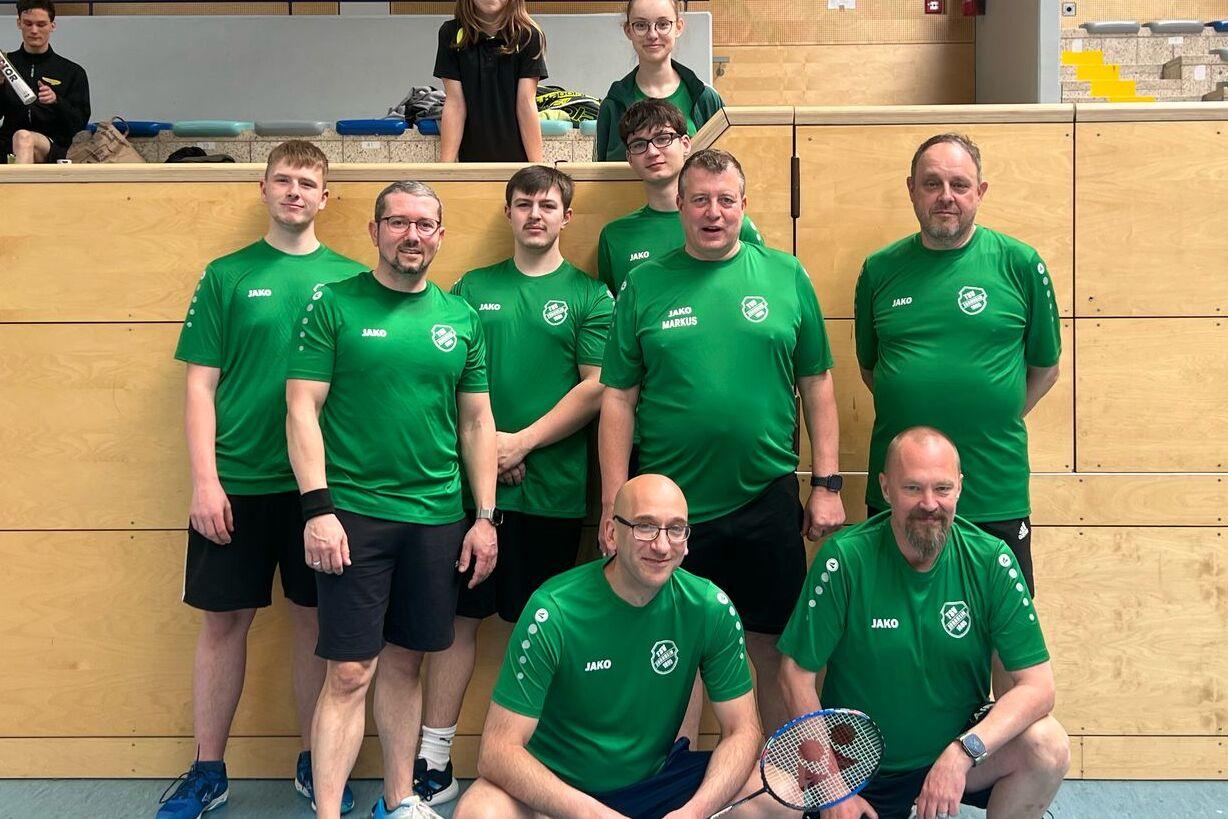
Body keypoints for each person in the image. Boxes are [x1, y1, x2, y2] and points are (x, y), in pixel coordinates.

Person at [599, 148, 846, 736]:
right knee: (670, 648)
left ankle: (783, 784)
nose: (714, 213)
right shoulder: (644, 284)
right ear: (680, 206)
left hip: (766, 497)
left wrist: (828, 484)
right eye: (701, 200)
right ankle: (674, 780)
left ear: (744, 206)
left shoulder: (786, 276)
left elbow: (817, 383)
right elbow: (617, 399)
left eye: (726, 200)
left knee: (773, 648)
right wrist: (616, 501)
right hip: (668, 511)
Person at [161, 140, 366, 819]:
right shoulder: (225, 275)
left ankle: (314, 759)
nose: (295, 191)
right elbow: (199, 387)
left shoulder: (351, 281)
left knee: (316, 625)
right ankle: (208, 767)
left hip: (322, 494)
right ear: (263, 187)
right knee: (223, 624)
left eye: (309, 182)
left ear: (326, 197)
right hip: (237, 485)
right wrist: (204, 481)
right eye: (284, 179)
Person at [285, 181, 498, 819]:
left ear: (440, 235)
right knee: (350, 672)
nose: (413, 235)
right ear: (375, 232)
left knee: (405, 664)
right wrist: (318, 509)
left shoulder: (460, 317)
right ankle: (327, 811)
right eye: (399, 223)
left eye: (425, 225)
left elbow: (477, 423)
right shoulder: (333, 305)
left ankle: (400, 800)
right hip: (352, 517)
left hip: (436, 519)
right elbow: (301, 407)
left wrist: (484, 517)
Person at [413, 165, 613, 805]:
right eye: (523, 202)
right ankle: (435, 757)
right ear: (508, 212)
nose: (535, 213)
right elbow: (446, 379)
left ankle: (540, 759)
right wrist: (485, 458)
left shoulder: (591, 295)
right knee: (457, 621)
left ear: (566, 217)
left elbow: (597, 387)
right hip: (473, 499)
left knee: (546, 627)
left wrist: (518, 443)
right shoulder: (470, 289)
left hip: (552, 495)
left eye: (547, 204)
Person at [776, 426, 1070, 819]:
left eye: (942, 489)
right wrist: (832, 785)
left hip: (953, 755)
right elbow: (794, 675)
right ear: (885, 488)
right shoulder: (843, 560)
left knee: (1047, 745)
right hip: (858, 766)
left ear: (960, 488)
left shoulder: (992, 560)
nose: (929, 504)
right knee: (762, 801)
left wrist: (964, 752)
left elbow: (1038, 687)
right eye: (913, 488)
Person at [452, 474, 763, 819]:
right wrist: (594, 815)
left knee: (776, 791)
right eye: (645, 527)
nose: (661, 546)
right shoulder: (553, 610)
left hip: (655, 783)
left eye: (676, 529)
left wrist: (694, 812)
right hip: (560, 790)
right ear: (613, 533)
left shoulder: (710, 607)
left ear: (687, 539)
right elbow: (496, 751)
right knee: (479, 812)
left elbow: (742, 730)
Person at [854, 133, 1061, 595]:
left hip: (993, 491)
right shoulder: (878, 270)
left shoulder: (1022, 265)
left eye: (959, 184)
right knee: (895, 631)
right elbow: (871, 368)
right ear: (911, 189)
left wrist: (990, 414)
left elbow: (1046, 369)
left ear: (980, 192)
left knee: (1005, 641)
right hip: (900, 499)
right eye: (932, 183)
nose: (945, 196)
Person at [597, 99, 762, 295]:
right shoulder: (615, 236)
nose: (652, 152)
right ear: (630, 158)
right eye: (639, 144)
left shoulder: (731, 223)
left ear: (685, 144)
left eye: (662, 138)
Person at [594, 0, 723, 162]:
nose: (653, 35)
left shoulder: (705, 98)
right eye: (641, 25)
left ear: (678, 27)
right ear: (628, 30)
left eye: (663, 24)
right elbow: (601, 176)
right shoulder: (612, 105)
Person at [435, 0, 547, 163]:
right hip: (471, 160)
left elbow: (525, 104)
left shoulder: (528, 35)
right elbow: (455, 103)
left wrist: (537, 166)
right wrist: (446, 170)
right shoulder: (451, 33)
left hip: (518, 160)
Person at [0, 0, 89, 164]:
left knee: (23, 137)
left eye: (41, 24)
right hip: (6, 146)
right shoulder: (5, 66)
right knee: (20, 138)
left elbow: (79, 124)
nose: (34, 30)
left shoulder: (72, 71)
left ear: (52, 26)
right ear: (19, 23)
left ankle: (21, 189)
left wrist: (57, 101)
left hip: (54, 148)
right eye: (28, 23)